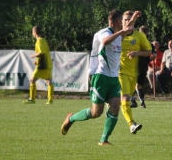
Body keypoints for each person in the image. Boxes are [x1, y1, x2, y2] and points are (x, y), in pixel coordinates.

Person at [60, 9, 136, 145]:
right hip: (100, 76)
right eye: (122, 21)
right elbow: (106, 41)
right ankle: (70, 118)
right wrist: (122, 32)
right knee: (96, 113)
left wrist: (134, 18)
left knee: (115, 106)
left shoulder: (119, 35)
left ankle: (104, 140)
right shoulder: (104, 33)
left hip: (113, 78)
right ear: (118, 22)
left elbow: (127, 29)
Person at [119, 11, 152, 134]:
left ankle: (110, 104)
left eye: (130, 19)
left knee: (122, 100)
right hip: (119, 72)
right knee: (126, 98)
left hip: (134, 73)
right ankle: (131, 124)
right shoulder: (118, 35)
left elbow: (149, 52)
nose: (127, 22)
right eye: (125, 20)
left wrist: (137, 53)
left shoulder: (139, 36)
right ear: (121, 22)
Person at [23, 26, 54, 105]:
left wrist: (33, 55)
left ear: (35, 32)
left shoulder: (39, 41)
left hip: (42, 65)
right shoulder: (43, 40)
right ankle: (50, 100)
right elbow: (44, 53)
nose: (32, 33)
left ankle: (32, 99)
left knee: (32, 80)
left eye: (32, 32)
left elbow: (41, 52)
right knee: (49, 81)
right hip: (48, 64)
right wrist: (37, 61)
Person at [130, 25, 155, 108]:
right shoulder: (150, 44)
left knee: (131, 84)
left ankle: (133, 100)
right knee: (138, 85)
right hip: (144, 66)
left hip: (134, 65)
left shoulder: (136, 42)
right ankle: (142, 102)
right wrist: (148, 60)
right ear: (147, 33)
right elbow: (154, 55)